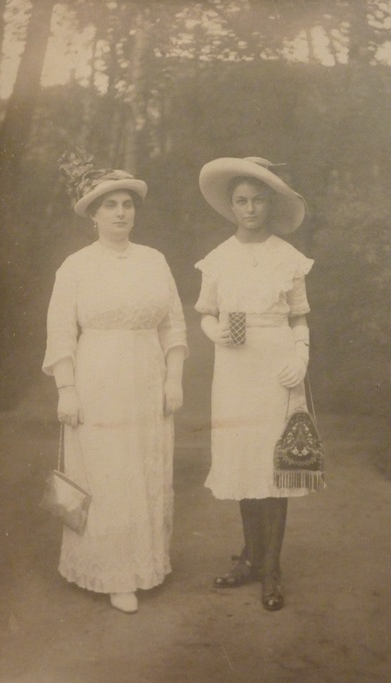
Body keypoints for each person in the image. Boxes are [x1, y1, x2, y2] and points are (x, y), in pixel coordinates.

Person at [42, 152, 188, 614]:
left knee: (143, 471)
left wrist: (174, 379)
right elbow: (60, 333)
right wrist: (67, 389)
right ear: (93, 214)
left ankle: (144, 563)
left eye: (127, 204)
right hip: (98, 380)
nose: (121, 213)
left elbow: (173, 325)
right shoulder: (76, 266)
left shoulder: (154, 260)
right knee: (107, 473)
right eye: (110, 205)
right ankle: (112, 573)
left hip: (147, 380)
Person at [195, 156, 316, 611]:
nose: (250, 209)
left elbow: (299, 316)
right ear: (231, 206)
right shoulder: (218, 258)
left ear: (270, 205)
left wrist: (300, 357)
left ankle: (272, 570)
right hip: (234, 368)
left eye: (258, 200)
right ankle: (250, 558)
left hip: (277, 367)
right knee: (245, 464)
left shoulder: (288, 257)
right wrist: (215, 333)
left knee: (274, 469)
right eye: (242, 201)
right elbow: (207, 312)